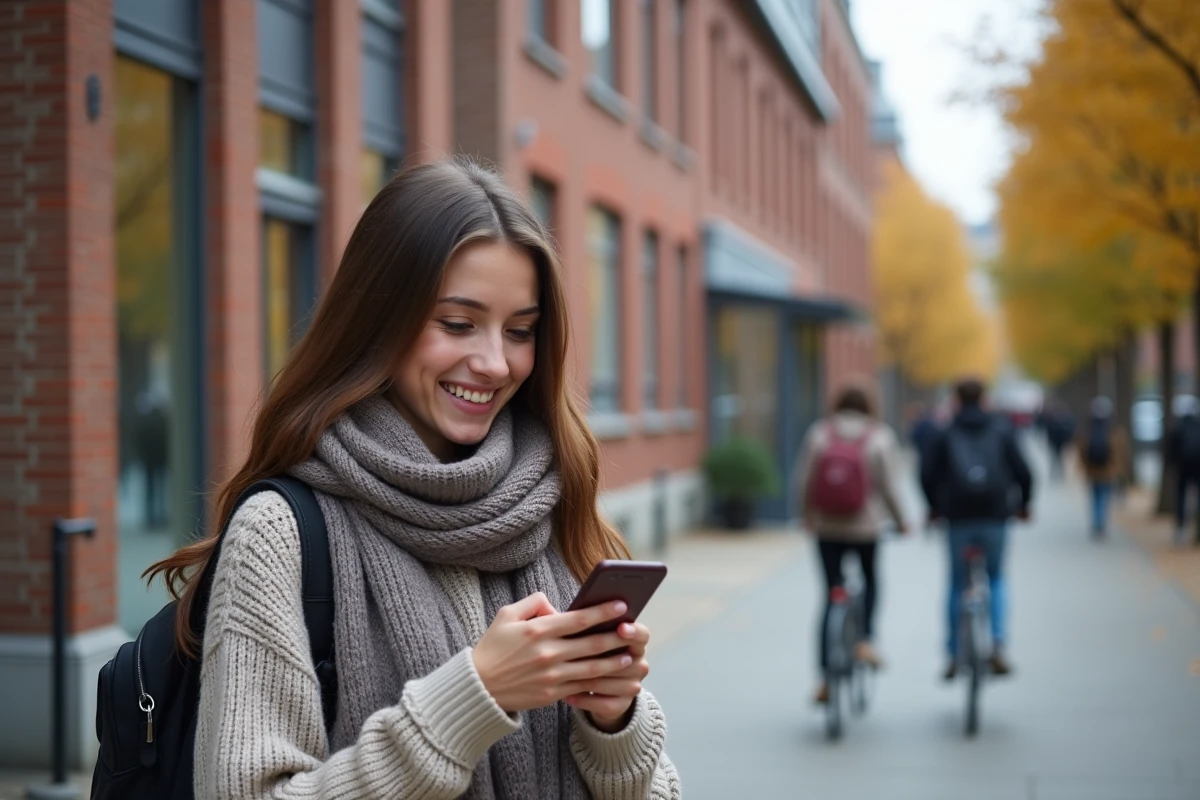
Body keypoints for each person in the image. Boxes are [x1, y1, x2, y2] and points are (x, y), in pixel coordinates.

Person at [146, 159, 680, 799]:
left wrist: (614, 723)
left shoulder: (552, 499)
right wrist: (470, 698)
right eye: (457, 323)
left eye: (520, 331)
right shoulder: (279, 532)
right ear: (379, 319)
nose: (492, 362)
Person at [796, 383, 909, 705]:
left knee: (831, 594)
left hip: (826, 527)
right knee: (871, 578)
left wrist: (805, 516)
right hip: (866, 528)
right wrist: (900, 520)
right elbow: (888, 485)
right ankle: (865, 639)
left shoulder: (820, 434)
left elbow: (804, 479)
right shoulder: (879, 436)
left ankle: (824, 679)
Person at [921, 378, 1032, 679]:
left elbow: (926, 473)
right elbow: (1024, 471)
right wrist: (1024, 505)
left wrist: (933, 508)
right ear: (984, 399)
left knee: (957, 583)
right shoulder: (1001, 429)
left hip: (956, 517)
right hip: (995, 515)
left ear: (956, 398)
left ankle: (954, 653)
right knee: (995, 579)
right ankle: (996, 644)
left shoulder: (944, 432)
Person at [1077, 396, 1129, 538]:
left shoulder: (1088, 430)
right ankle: (1101, 523)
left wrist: (1083, 466)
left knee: (1094, 497)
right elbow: (1121, 453)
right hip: (1108, 471)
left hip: (1092, 470)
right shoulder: (1115, 431)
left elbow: (1081, 450)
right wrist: (1118, 469)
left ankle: (1096, 522)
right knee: (1104, 497)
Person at [1167, 397, 1200, 545]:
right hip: (1197, 466)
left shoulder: (1178, 427)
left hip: (1182, 466)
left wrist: (1171, 465)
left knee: (1181, 495)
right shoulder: (1197, 426)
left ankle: (1180, 526)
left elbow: (1171, 450)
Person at [1043, 401, 1076, 482]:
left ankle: (1056, 474)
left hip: (1057, 442)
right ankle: (1058, 474)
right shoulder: (1065, 418)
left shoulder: (1053, 418)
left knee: (1056, 459)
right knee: (1058, 458)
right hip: (1059, 442)